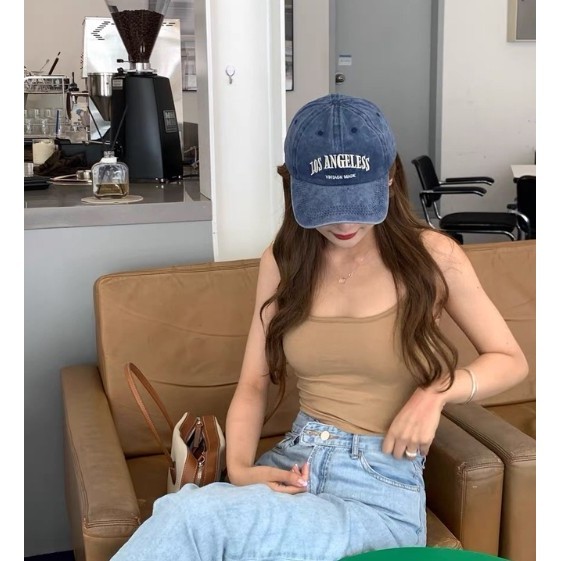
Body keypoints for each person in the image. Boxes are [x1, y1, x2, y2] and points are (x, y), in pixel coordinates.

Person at [110, 93, 528, 561]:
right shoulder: (284, 260)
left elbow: (510, 360)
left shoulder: (433, 256)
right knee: (201, 524)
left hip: (377, 490)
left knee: (193, 517)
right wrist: (242, 469)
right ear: (294, 187)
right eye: (326, 205)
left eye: (356, 202)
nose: (343, 223)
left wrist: (436, 393)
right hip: (293, 465)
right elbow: (253, 383)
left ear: (389, 177)